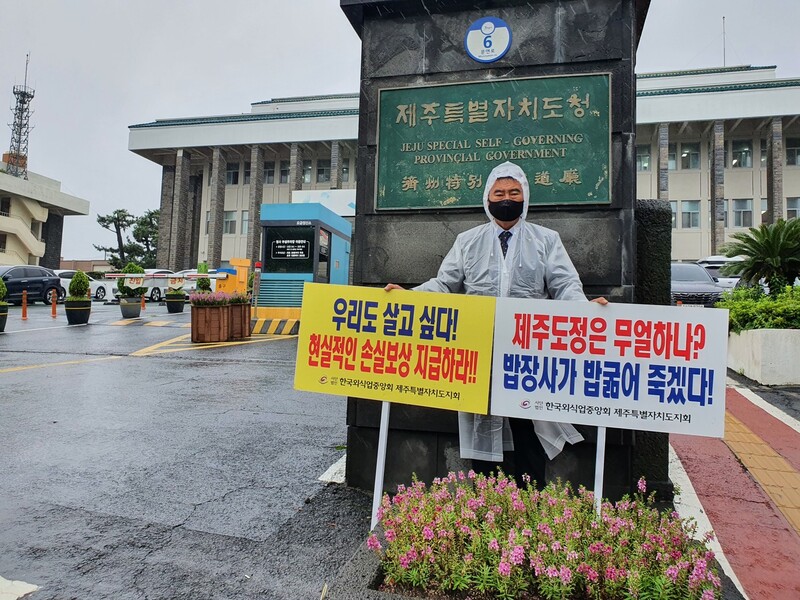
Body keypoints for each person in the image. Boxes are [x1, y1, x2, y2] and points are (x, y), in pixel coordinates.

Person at [385, 161, 607, 485]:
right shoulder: (467, 241)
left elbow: (565, 286)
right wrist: (411, 296)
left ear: (525, 196)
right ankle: (487, 503)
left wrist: (586, 309)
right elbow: (444, 285)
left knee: (528, 427)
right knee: (482, 426)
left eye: (514, 192)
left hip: (527, 352)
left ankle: (531, 503)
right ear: (487, 198)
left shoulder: (546, 241)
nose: (507, 198)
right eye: (499, 192)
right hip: (481, 350)